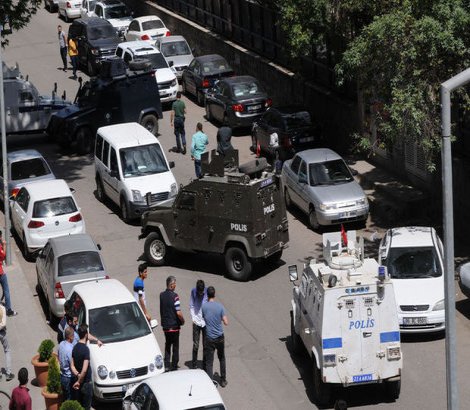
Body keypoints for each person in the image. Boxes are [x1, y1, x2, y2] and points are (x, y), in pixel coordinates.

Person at [202, 286, 228, 387]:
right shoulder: (220, 307)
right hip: (220, 337)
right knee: (221, 358)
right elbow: (226, 322)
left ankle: (210, 383)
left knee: (209, 362)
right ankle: (223, 380)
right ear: (214, 294)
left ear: (207, 295)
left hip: (209, 338)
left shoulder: (204, 307)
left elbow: (204, 318)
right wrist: (220, 318)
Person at [160, 276, 185, 371]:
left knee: (167, 345)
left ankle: (166, 365)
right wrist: (182, 320)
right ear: (171, 285)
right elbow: (178, 312)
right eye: (175, 283)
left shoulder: (161, 295)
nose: (175, 285)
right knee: (175, 346)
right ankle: (174, 365)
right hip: (174, 326)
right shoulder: (175, 296)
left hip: (166, 326)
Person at [71, 324, 92, 410]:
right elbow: (84, 370)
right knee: (86, 407)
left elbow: (72, 365)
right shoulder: (86, 349)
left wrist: (77, 374)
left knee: (79, 406)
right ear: (86, 335)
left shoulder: (75, 347)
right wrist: (79, 381)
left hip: (77, 382)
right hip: (85, 384)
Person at [189, 280, 207, 369]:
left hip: (205, 322)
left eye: (202, 292)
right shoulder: (193, 291)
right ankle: (194, 364)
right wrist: (193, 318)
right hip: (196, 321)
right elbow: (191, 306)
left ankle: (205, 365)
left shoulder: (207, 292)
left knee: (205, 345)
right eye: (199, 292)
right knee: (196, 345)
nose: (200, 294)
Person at [0, 231, 17, 317]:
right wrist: (4, 245)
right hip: (0, 272)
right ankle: (8, 310)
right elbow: (3, 256)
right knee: (6, 290)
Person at [59, 326, 76, 401]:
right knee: (70, 399)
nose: (74, 338)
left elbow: (58, 357)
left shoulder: (61, 344)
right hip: (69, 378)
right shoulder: (70, 349)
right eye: (73, 336)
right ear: (70, 337)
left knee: (65, 398)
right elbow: (72, 365)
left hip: (62, 376)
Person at [0, 304, 14, 381]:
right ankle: (8, 373)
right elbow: (3, 323)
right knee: (7, 350)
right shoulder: (2, 308)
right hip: (2, 333)